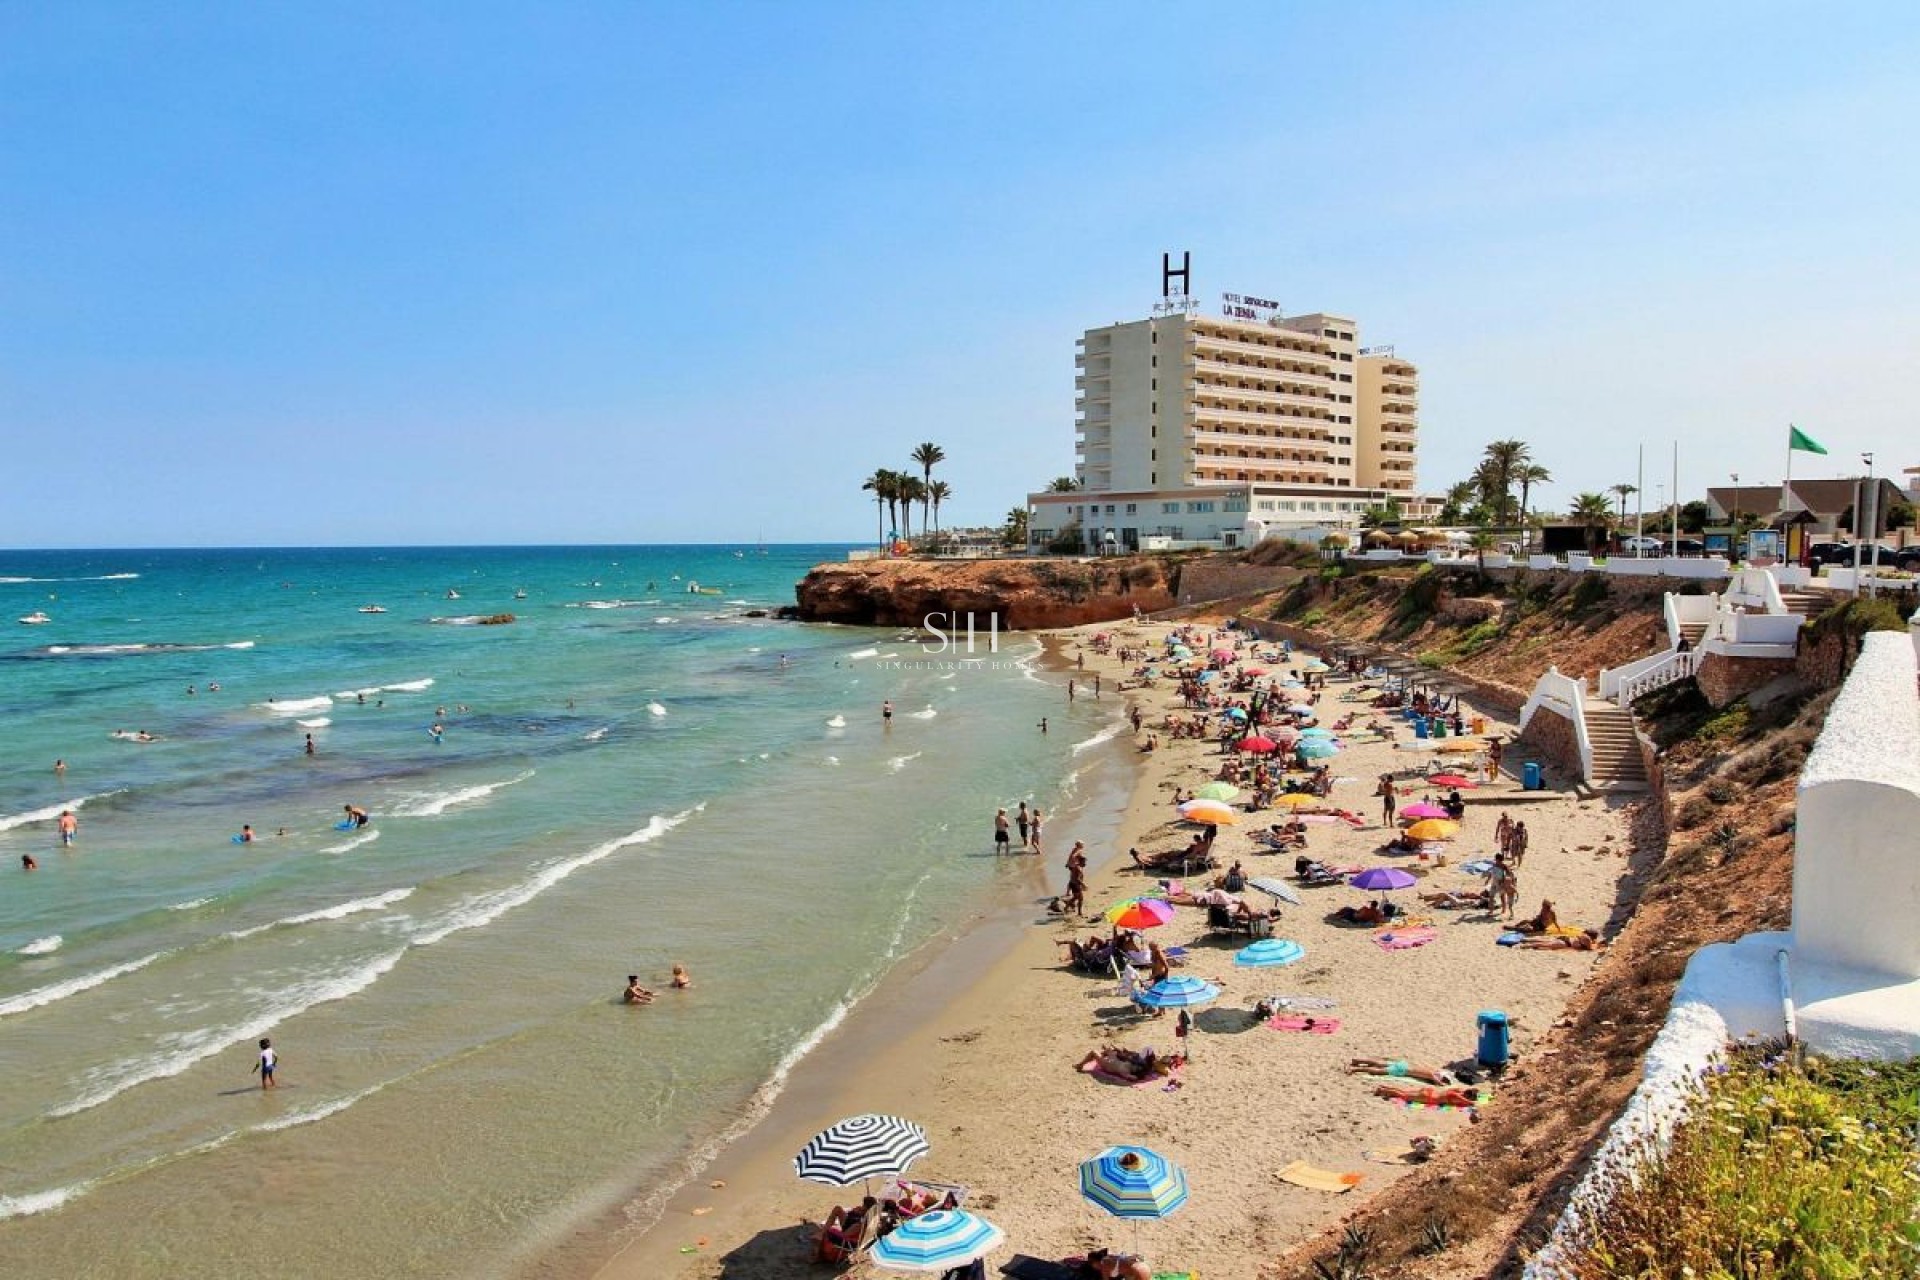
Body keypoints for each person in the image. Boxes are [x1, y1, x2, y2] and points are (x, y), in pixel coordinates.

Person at [1347, 1057, 1458, 1085]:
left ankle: (1357, 1060)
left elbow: (1441, 1073)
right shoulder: (1432, 1074)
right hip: (1402, 1070)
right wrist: (1444, 1084)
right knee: (1377, 1071)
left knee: (1379, 1063)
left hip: (1404, 1064)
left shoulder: (1432, 1070)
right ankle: (1355, 1068)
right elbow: (1439, 1083)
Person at [1517, 929, 1603, 951]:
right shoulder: (1587, 940)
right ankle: (1527, 945)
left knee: (1545, 940)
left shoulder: (1583, 935)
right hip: (1566, 943)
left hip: (1565, 938)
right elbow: (1590, 948)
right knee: (1546, 944)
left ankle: (1526, 939)